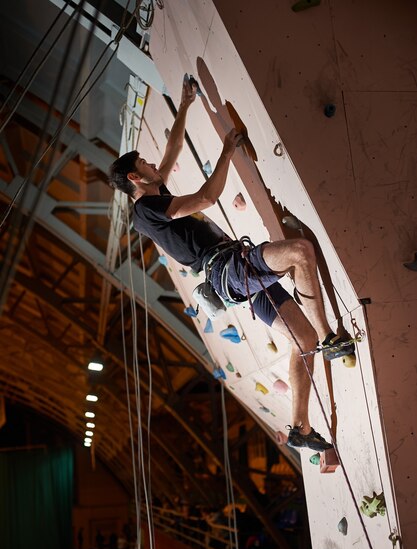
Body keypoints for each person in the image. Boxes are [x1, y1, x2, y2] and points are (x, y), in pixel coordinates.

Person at [108, 78, 354, 452]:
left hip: (230, 277)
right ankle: (331, 338)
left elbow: (173, 149)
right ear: (134, 177)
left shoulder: (152, 199)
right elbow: (206, 197)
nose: (155, 163)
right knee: (300, 251)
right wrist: (226, 153)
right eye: (145, 163)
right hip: (228, 270)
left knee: (301, 340)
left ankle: (300, 427)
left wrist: (186, 105)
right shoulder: (147, 209)